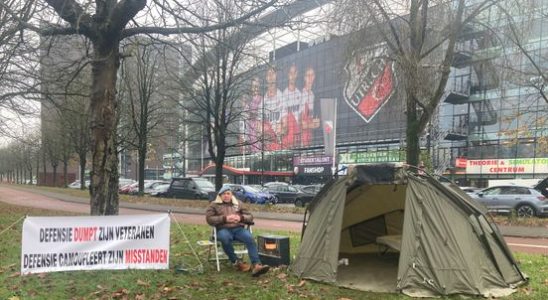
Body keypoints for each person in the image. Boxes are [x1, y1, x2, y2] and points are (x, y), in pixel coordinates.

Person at [205, 186, 270, 277]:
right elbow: (209, 219)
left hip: (238, 229)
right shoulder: (214, 205)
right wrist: (225, 219)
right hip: (223, 229)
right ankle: (236, 262)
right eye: (224, 194)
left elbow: (250, 216)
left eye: (228, 194)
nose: (226, 196)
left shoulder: (238, 203)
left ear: (231, 195)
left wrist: (241, 218)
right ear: (220, 195)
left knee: (249, 238)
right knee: (225, 238)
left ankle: (256, 265)